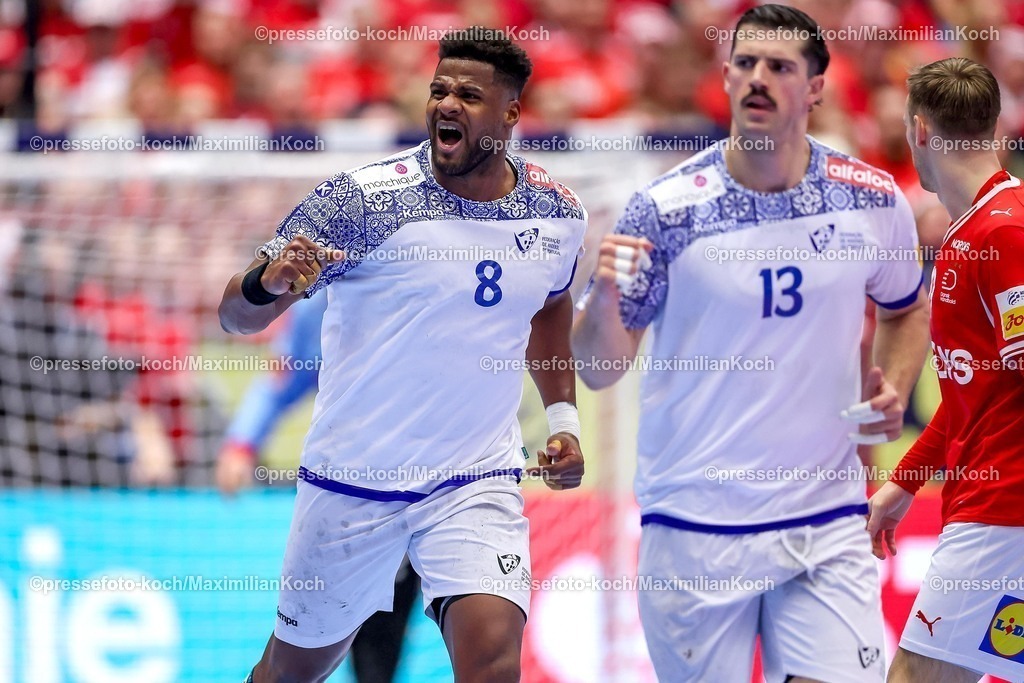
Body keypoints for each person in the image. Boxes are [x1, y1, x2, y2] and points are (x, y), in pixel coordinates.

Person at [572, 5, 930, 682]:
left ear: (818, 87)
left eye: (780, 67)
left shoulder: (870, 198)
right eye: (745, 63)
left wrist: (894, 385)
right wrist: (604, 301)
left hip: (825, 517)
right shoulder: (665, 209)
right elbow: (597, 370)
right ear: (727, 76)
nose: (758, 79)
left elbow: (907, 306)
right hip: (695, 525)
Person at [219, 27, 587, 683]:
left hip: (472, 480)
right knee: (289, 672)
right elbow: (236, 314)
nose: (448, 104)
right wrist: (268, 283)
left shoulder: (556, 212)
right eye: (439, 89)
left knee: (495, 663)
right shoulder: (362, 200)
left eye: (469, 95)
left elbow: (552, 303)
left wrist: (564, 423)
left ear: (510, 114)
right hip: (353, 480)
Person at [866, 57, 1024, 683]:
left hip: (1003, 511)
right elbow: (972, 398)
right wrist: (905, 483)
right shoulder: (968, 232)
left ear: (920, 132)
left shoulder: (1006, 232)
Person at [215, 292, 420, 683]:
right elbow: (286, 373)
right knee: (295, 653)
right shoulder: (322, 300)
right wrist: (241, 443)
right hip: (341, 490)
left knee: (383, 638)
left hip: (418, 486)